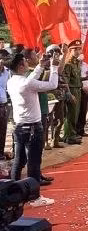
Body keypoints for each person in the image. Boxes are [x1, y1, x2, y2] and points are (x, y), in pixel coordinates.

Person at [7, 50, 58, 188]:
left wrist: (40, 66)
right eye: (25, 61)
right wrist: (54, 67)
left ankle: (13, 188)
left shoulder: (11, 81)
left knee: (19, 160)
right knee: (34, 161)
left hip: (19, 127)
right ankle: (33, 192)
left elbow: (29, 80)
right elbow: (52, 85)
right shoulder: (27, 83)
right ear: (20, 66)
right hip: (33, 128)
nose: (27, 63)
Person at [60, 40, 84, 145]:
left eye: (79, 49)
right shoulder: (68, 64)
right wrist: (69, 94)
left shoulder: (77, 63)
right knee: (70, 114)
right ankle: (69, 136)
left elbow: (77, 78)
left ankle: (72, 134)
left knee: (76, 114)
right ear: (70, 50)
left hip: (78, 89)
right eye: (75, 49)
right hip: (72, 90)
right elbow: (66, 81)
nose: (78, 51)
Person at [0, 50, 11, 163]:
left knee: (3, 130)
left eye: (4, 58)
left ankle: (1, 153)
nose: (2, 61)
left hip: (3, 104)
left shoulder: (7, 72)